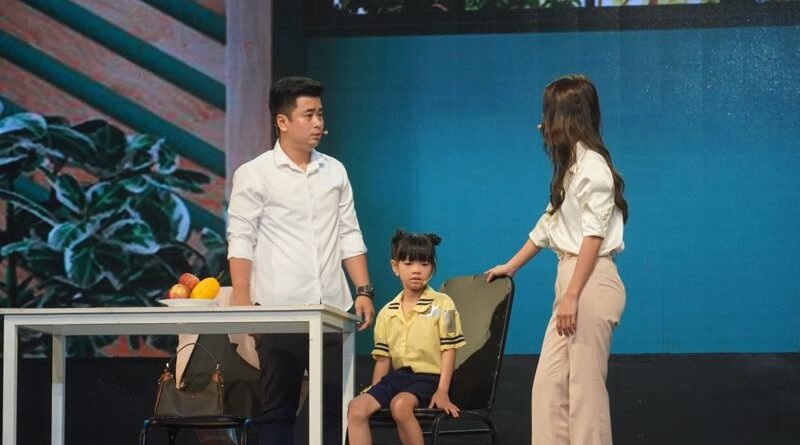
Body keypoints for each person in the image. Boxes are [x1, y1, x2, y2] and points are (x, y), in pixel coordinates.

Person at [226, 76, 376, 445]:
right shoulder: (255, 173)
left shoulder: (335, 171)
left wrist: (363, 289)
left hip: (333, 308)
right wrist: (243, 301)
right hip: (280, 310)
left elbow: (349, 232)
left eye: (320, 114)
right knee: (279, 408)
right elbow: (241, 238)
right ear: (282, 121)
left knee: (333, 409)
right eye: (308, 115)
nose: (318, 123)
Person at [486, 74, 628, 445]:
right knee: (549, 388)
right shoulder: (571, 168)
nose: (542, 123)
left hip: (590, 280)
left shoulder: (593, 168)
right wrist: (511, 266)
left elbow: (593, 237)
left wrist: (572, 295)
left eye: (548, 113)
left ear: (565, 117)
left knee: (584, 391)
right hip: (572, 278)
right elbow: (548, 226)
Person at [347, 230, 465, 445]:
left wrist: (442, 391)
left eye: (424, 264)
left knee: (400, 405)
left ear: (433, 268)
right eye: (409, 264)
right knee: (356, 407)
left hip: (430, 379)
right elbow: (383, 360)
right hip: (398, 379)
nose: (416, 270)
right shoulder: (387, 312)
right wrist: (376, 392)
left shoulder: (444, 304)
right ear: (395, 266)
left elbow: (449, 349)